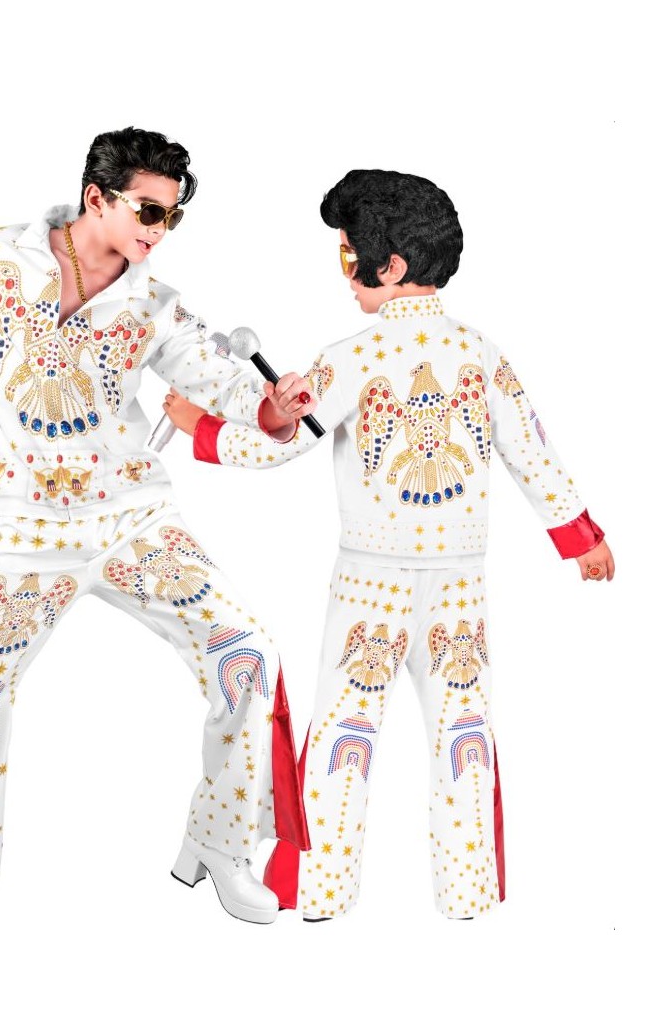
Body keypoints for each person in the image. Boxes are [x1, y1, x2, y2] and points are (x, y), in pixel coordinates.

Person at [0, 126, 310, 922]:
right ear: (95, 197)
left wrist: (275, 409)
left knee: (249, 652)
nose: (160, 230)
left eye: (172, 217)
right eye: (149, 210)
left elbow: (220, 381)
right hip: (28, 529)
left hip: (134, 521)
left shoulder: (154, 304)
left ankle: (222, 845)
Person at [164, 169, 613, 921]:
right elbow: (532, 451)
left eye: (349, 258)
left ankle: (319, 892)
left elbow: (282, 446)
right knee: (464, 729)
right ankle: (467, 895)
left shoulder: (349, 357)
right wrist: (580, 537)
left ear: (391, 265)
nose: (346, 276)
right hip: (458, 582)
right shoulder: (481, 353)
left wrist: (199, 429)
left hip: (370, 583)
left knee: (343, 732)